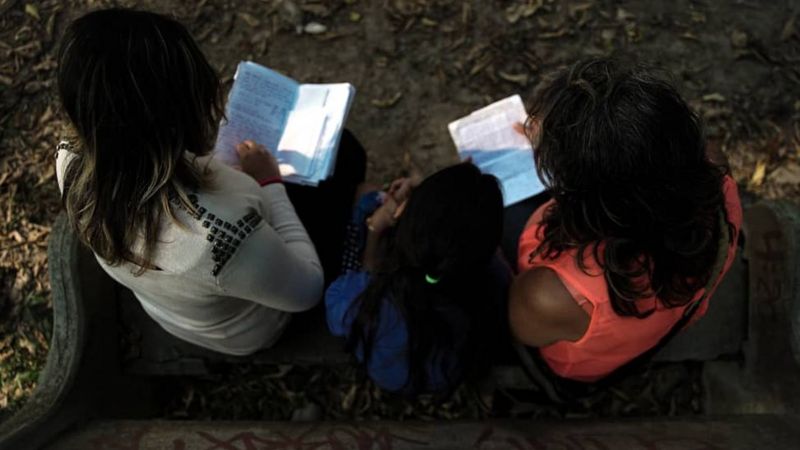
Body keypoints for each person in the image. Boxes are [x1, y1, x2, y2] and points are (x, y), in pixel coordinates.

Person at [54, 8, 362, 356]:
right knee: (345, 156)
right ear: (178, 117)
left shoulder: (70, 160)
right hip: (252, 328)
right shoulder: (220, 236)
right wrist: (270, 183)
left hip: (177, 309)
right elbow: (308, 290)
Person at [508, 58, 743, 384]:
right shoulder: (715, 175)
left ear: (591, 200)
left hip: (578, 365)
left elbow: (525, 332)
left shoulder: (552, 294)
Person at [325, 163, 510, 395]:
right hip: (449, 375)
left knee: (366, 195)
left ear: (407, 222)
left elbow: (337, 307)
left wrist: (374, 231)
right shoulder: (492, 281)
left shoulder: (365, 300)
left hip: (392, 378)